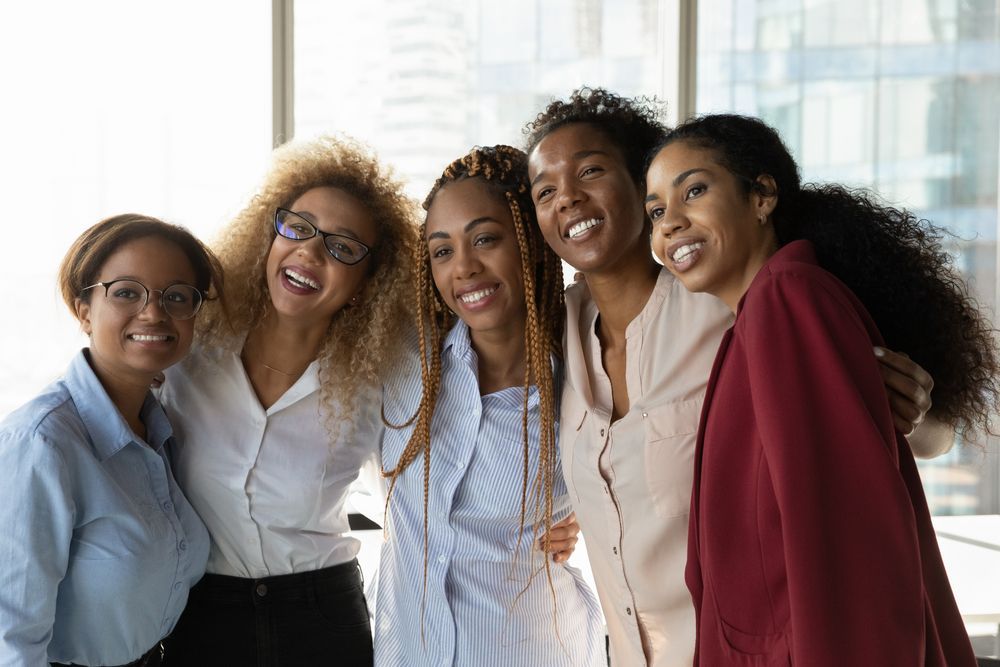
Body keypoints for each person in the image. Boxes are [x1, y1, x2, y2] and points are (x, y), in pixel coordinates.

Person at [523, 87, 948, 666]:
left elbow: (885, 477)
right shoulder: (558, 333)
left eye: (591, 171)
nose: (567, 198)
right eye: (545, 191)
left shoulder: (749, 302)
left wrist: (910, 415)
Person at [644, 113, 997, 665]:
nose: (670, 222)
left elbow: (845, 542)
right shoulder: (756, 319)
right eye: (657, 211)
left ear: (762, 196)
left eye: (694, 190)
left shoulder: (789, 301)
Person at [158, 135, 418, 665]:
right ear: (268, 236)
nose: (309, 252)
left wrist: (549, 517)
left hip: (322, 616)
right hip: (200, 614)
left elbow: (428, 490)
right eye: (297, 228)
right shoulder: (189, 347)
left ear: (369, 281)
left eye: (343, 247)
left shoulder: (384, 379)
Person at [374, 145, 604, 666]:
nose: (465, 268)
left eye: (485, 239)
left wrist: (585, 513)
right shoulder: (404, 357)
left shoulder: (585, 369)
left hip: (535, 649)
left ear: (531, 240)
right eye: (442, 251)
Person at [0, 214, 223, 666]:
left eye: (177, 296)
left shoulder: (162, 429)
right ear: (84, 310)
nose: (154, 312)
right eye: (126, 292)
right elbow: (11, 638)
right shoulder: (41, 444)